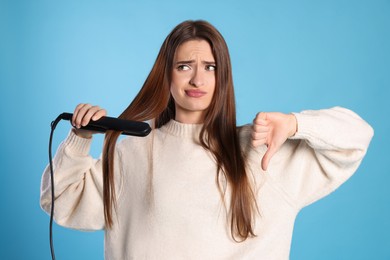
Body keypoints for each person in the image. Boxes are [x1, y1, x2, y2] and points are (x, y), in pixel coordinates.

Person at [40, 20, 374, 259]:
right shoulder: (133, 150)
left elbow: (357, 137)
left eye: (210, 67)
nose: (198, 78)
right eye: (185, 66)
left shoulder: (261, 148)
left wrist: (295, 124)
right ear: (166, 74)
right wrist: (80, 138)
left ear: (223, 76)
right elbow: (62, 201)